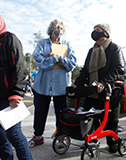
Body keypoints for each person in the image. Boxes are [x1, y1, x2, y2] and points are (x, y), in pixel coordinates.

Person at [0, 9, 33, 160]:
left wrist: (16, 94)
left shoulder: (9, 39)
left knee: (14, 135)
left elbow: (19, 68)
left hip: (8, 99)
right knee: (0, 139)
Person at [72, 23, 125, 153]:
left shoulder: (114, 48)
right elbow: (85, 70)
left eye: (98, 30)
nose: (94, 32)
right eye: (94, 30)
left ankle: (112, 142)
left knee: (110, 119)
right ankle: (92, 140)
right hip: (93, 89)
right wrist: (77, 83)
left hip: (110, 89)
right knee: (90, 115)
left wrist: (103, 82)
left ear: (106, 33)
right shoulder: (92, 50)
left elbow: (118, 69)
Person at [29, 19, 76, 148]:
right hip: (42, 86)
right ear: (51, 29)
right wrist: (54, 59)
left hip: (61, 86)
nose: (59, 30)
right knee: (40, 112)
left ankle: (61, 136)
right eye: (56, 28)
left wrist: (60, 58)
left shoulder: (67, 45)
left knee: (61, 113)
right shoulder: (42, 44)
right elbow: (40, 62)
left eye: (61, 28)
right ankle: (38, 136)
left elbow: (72, 64)